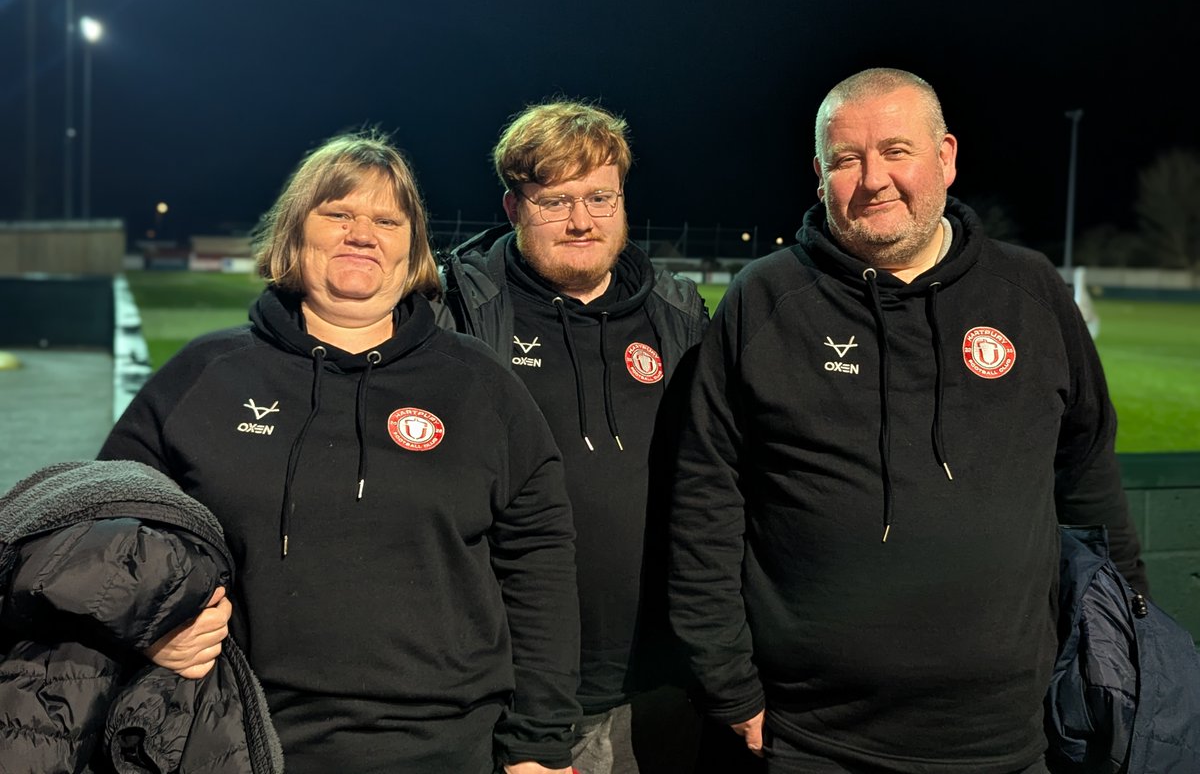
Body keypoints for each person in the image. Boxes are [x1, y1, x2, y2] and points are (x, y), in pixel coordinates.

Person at [667, 68, 1149, 774]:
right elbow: (704, 500)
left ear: (946, 157)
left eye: (896, 151)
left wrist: (1129, 637)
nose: (873, 180)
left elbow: (1090, 479)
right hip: (811, 738)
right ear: (819, 173)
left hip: (1012, 736)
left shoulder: (1032, 292)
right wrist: (727, 683)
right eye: (846, 159)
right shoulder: (762, 299)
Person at [98, 129, 581, 774]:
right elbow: (104, 528)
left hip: (446, 745)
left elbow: (539, 565)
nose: (363, 233)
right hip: (237, 738)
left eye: (387, 219)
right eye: (339, 214)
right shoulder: (206, 375)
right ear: (296, 233)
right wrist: (153, 624)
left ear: (413, 247)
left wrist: (540, 745)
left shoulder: (482, 384)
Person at [440, 100, 709, 773]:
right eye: (556, 200)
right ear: (512, 207)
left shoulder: (678, 314)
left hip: (658, 683)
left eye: (600, 197)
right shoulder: (459, 313)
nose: (582, 220)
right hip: (509, 693)